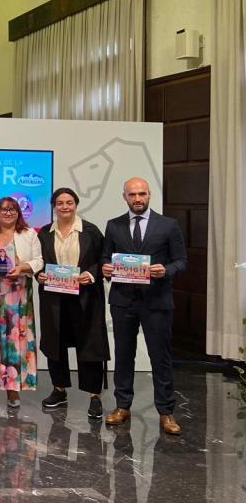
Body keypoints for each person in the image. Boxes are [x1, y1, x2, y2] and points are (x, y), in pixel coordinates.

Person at [101, 177, 187, 435]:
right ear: (124, 197)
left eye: (142, 194)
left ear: (149, 195)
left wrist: (167, 270)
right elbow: (106, 257)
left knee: (160, 357)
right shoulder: (114, 226)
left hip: (157, 301)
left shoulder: (168, 225)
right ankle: (122, 406)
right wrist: (106, 269)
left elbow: (181, 260)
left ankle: (166, 411)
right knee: (124, 355)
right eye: (132, 195)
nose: (137, 199)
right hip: (123, 301)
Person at [36, 188, 108, 419]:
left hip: (86, 298)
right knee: (54, 344)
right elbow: (38, 261)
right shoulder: (44, 233)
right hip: (54, 299)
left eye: (69, 202)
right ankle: (59, 390)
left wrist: (91, 273)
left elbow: (103, 260)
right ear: (53, 206)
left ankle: (94, 396)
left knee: (90, 345)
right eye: (60, 203)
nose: (65, 206)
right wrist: (38, 274)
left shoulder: (91, 231)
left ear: (76, 205)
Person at [0, 197, 43, 408]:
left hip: (18, 294)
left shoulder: (29, 233)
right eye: (3, 209)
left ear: (18, 212)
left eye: (12, 209)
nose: (8, 213)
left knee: (16, 339)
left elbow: (39, 260)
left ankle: (13, 387)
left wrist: (22, 267)